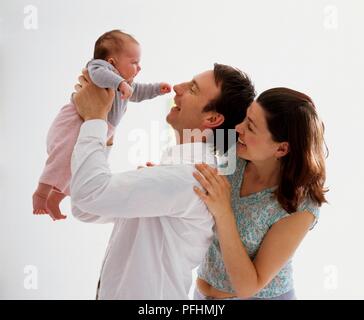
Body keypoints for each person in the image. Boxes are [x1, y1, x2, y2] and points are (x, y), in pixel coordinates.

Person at [70, 63, 255, 299]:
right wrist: (103, 126)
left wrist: (95, 119)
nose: (177, 88)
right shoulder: (177, 173)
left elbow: (87, 195)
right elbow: (85, 208)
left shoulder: (190, 178)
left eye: (193, 89)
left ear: (213, 118)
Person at [192, 87, 328, 300]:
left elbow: (248, 286)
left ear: (282, 149)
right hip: (201, 295)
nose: (238, 128)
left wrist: (224, 212)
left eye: (251, 127)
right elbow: (199, 191)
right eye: (246, 118)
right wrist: (165, 178)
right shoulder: (235, 157)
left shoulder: (301, 207)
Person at [32, 29, 171, 220]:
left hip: (99, 128)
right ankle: (41, 193)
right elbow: (97, 75)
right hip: (75, 122)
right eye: (134, 63)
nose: (139, 68)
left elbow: (138, 93)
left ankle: (55, 199)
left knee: (79, 168)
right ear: (112, 62)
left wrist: (156, 89)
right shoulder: (100, 68)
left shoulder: (127, 83)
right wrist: (121, 83)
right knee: (64, 158)